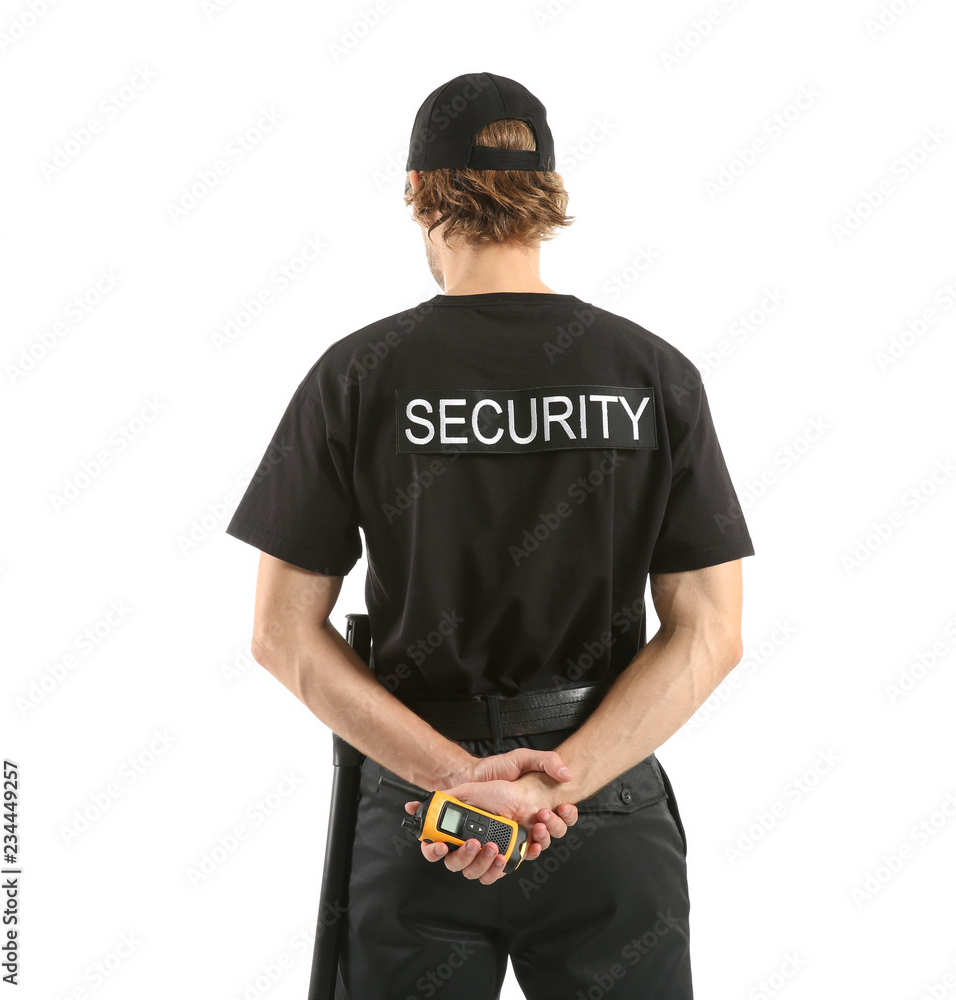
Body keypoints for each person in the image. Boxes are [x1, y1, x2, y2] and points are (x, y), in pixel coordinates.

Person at [225, 71, 755, 999]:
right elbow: (711, 633)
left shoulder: (359, 375)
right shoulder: (652, 374)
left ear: (419, 195)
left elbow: (281, 635)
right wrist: (555, 788)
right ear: (547, 197)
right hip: (603, 806)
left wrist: (463, 782)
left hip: (426, 813)